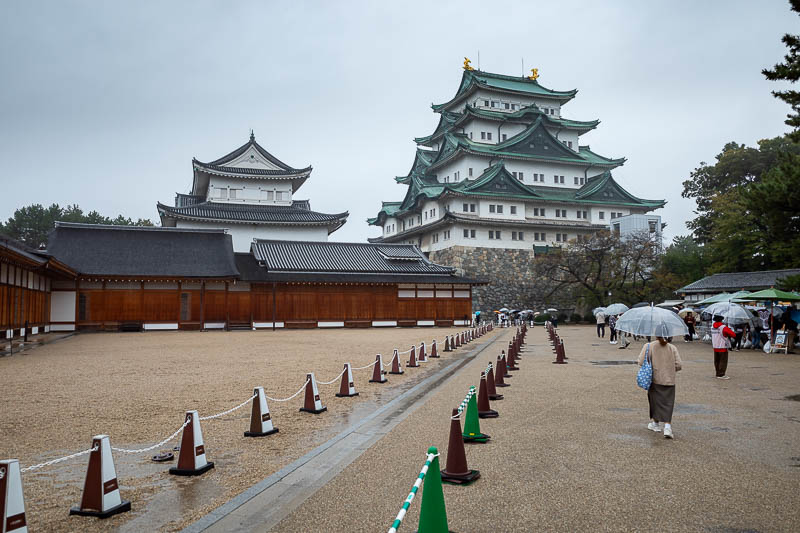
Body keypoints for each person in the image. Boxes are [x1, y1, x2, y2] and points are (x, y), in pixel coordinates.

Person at [637, 335, 683, 439]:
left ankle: (655, 424)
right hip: (669, 379)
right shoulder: (672, 348)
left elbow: (640, 361)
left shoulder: (649, 346)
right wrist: (670, 369)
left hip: (654, 379)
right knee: (668, 403)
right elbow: (679, 365)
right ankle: (667, 426)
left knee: (654, 401)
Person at [711, 315, 736, 379]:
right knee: (723, 360)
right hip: (722, 346)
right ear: (721, 320)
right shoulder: (723, 327)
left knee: (717, 361)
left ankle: (717, 373)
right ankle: (721, 374)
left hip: (715, 346)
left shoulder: (712, 327)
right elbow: (733, 334)